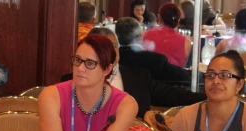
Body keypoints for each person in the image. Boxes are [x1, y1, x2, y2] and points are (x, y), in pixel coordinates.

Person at [38, 34, 138, 131]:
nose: (80, 68)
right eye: (78, 60)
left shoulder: (125, 104)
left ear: (107, 69)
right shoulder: (51, 96)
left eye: (90, 63)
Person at [62, 27, 206, 118]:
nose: (110, 52)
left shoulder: (138, 77)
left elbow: (175, 95)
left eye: (113, 46)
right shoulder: (71, 82)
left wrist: (210, 99)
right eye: (102, 48)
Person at [116, 17, 193, 84]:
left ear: (117, 37)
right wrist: (201, 75)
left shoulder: (112, 60)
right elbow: (182, 76)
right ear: (140, 36)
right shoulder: (156, 60)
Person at [142, 3, 192, 67]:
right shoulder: (186, 43)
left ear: (159, 18)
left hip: (148, 76)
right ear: (178, 20)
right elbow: (181, 69)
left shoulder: (144, 35)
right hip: (172, 76)